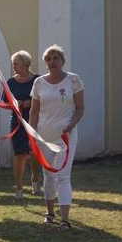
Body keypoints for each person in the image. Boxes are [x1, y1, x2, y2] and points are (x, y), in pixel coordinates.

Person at [30, 45, 85, 230]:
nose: (52, 62)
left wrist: (71, 125)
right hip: (44, 136)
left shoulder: (74, 81)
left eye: (56, 58)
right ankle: (50, 213)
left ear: (62, 61)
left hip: (66, 137)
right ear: (45, 63)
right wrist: (33, 133)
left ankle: (65, 219)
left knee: (63, 176)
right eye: (49, 59)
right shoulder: (39, 83)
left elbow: (80, 108)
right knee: (49, 175)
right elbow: (34, 110)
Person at [4, 50, 41, 199]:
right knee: (19, 154)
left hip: (35, 120)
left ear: (26, 64)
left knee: (34, 152)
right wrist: (16, 103)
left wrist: (31, 102)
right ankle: (19, 187)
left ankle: (35, 179)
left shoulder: (38, 80)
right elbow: (5, 102)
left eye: (16, 64)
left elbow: (44, 98)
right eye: (13, 64)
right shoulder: (11, 82)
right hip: (17, 122)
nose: (14, 66)